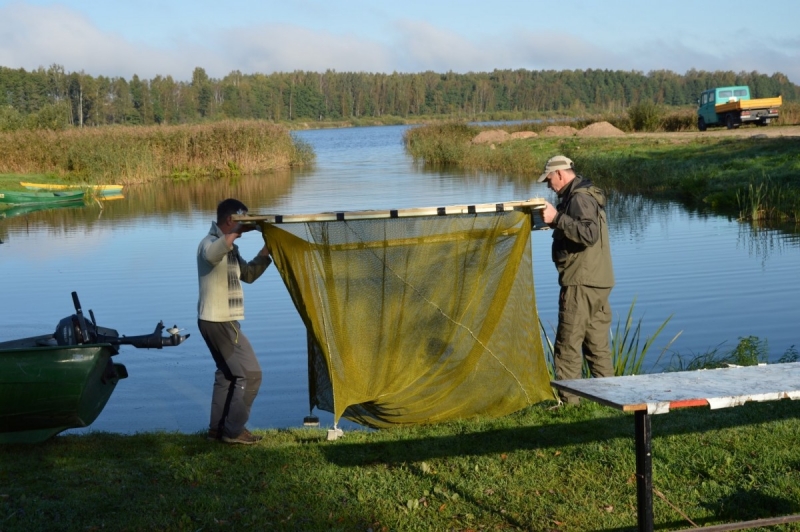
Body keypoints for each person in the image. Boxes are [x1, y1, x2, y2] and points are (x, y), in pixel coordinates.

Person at [538, 155, 615, 405]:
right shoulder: (583, 194)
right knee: (597, 346)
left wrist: (558, 219)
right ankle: (610, 399)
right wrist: (556, 222)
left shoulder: (579, 198)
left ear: (560, 174)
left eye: (549, 179)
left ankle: (570, 404)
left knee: (568, 343)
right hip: (598, 281)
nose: (548, 185)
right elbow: (581, 229)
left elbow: (589, 234)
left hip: (580, 282)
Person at [197, 198, 272, 444]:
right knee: (251, 374)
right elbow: (212, 255)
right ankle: (233, 431)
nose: (245, 225)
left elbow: (247, 275)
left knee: (227, 375)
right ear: (231, 219)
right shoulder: (208, 243)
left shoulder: (232, 249)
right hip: (220, 322)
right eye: (241, 219)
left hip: (218, 322)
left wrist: (265, 252)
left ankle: (217, 430)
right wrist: (238, 231)